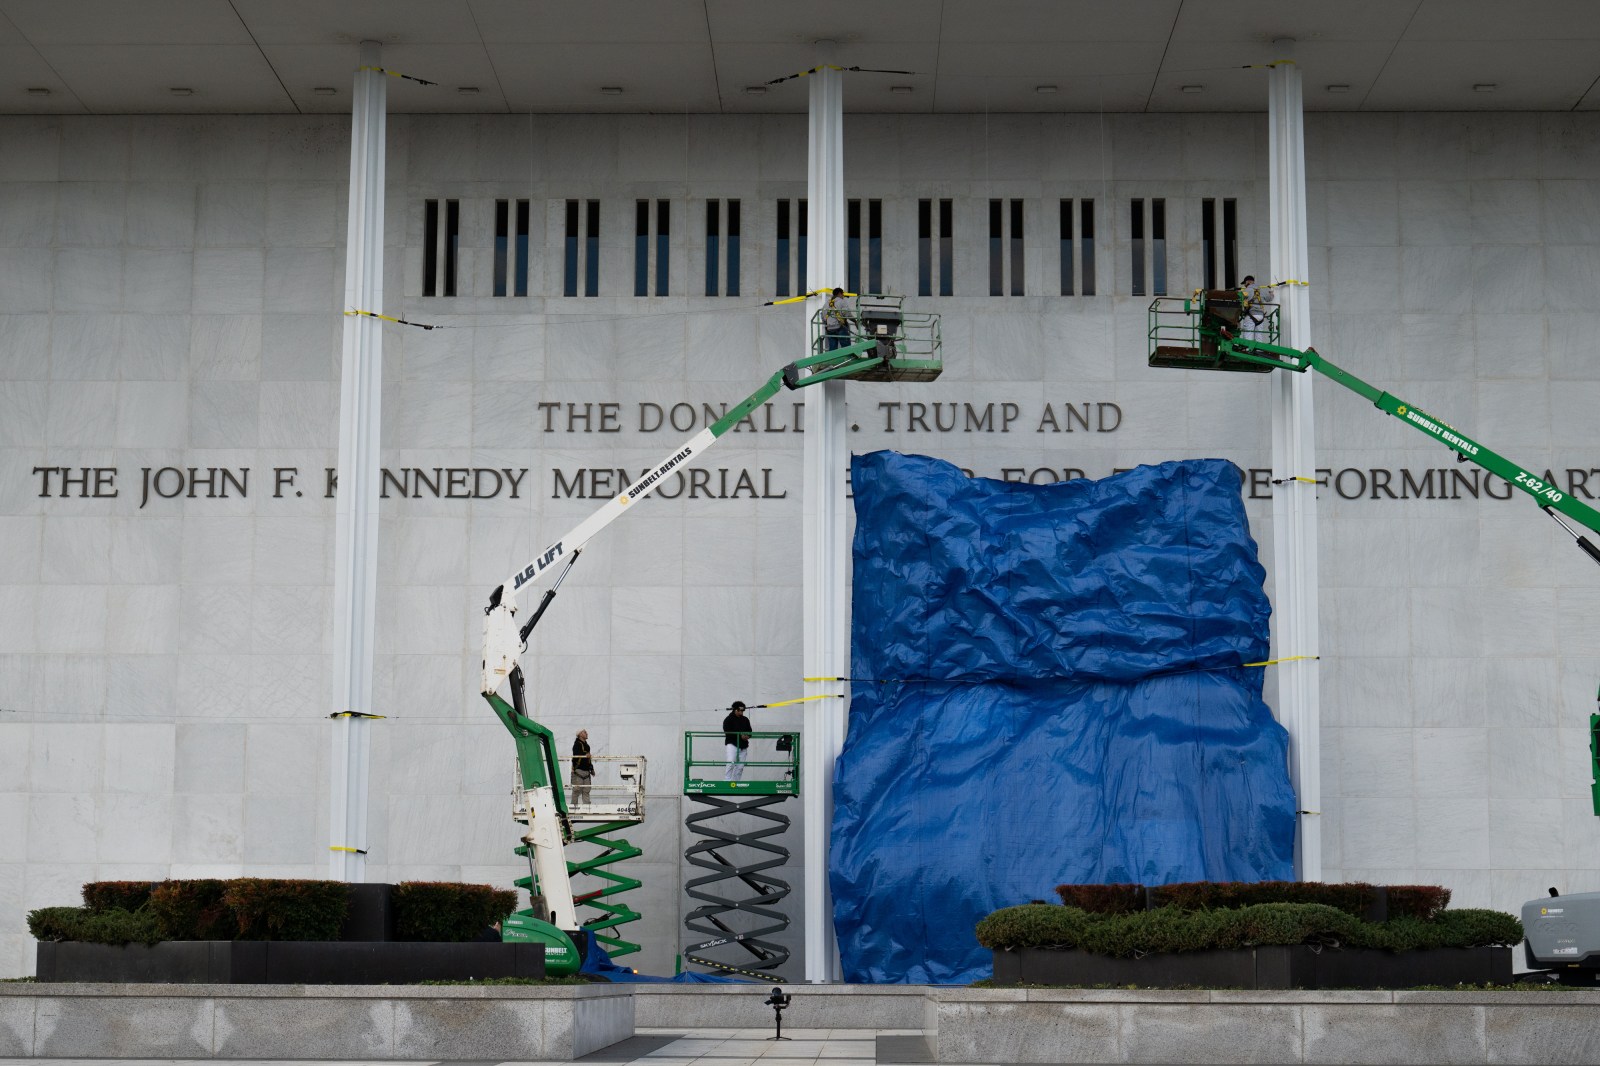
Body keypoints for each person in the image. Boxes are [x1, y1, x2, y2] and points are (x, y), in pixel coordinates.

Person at [723, 701, 752, 780]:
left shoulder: (745, 719)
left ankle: (736, 783)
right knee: (730, 763)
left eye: (743, 710)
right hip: (732, 744)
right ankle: (727, 781)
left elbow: (750, 731)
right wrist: (740, 736)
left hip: (743, 746)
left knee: (740, 767)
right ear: (736, 710)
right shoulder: (728, 719)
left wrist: (747, 736)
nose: (742, 712)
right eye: (741, 710)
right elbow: (727, 732)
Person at [1239, 275, 1271, 344]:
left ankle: (1248, 350)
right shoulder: (1262, 290)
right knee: (1259, 337)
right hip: (1261, 317)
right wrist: (1271, 294)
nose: (1244, 285)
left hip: (1251, 315)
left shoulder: (1246, 290)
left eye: (1245, 283)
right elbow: (1269, 298)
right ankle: (1258, 351)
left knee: (1248, 336)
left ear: (1248, 282)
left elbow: (1240, 298)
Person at [822, 288, 851, 352]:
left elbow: (823, 316)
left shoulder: (827, 303)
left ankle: (832, 361)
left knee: (832, 349)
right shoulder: (842, 301)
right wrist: (855, 321)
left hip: (830, 329)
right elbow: (847, 314)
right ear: (840, 293)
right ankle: (848, 359)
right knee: (846, 348)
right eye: (842, 294)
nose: (843, 296)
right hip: (840, 327)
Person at [570, 729, 593, 806]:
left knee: (586, 790)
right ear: (580, 734)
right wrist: (585, 754)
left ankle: (587, 808)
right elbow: (576, 754)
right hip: (578, 770)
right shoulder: (577, 744)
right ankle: (573, 807)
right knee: (576, 790)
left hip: (586, 771)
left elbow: (588, 759)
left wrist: (591, 769)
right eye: (585, 732)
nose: (587, 733)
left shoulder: (587, 746)